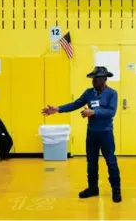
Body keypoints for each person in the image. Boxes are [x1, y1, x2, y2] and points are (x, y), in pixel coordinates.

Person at [42, 66, 122, 203]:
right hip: (92, 134)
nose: (93, 81)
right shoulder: (89, 93)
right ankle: (93, 188)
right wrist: (58, 109)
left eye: (96, 78)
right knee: (91, 162)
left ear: (104, 79)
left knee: (111, 161)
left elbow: (111, 112)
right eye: (93, 78)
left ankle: (116, 189)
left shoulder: (112, 93)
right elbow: (76, 104)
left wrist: (94, 112)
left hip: (106, 134)